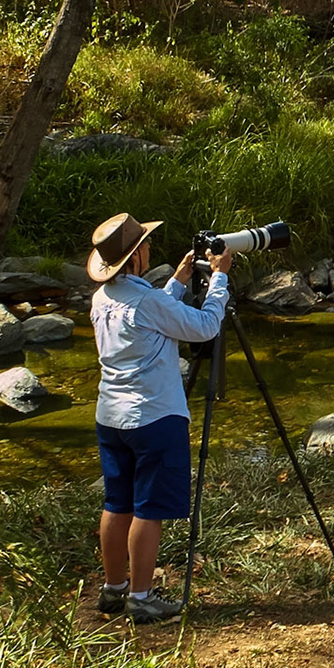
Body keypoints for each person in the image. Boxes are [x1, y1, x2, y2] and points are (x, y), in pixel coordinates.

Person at [86, 212, 234, 625]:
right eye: (144, 245)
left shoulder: (104, 298)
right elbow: (204, 327)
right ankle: (142, 597)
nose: (149, 249)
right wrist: (219, 279)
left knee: (118, 503)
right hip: (153, 416)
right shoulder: (147, 301)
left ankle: (114, 589)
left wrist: (180, 281)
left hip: (112, 416)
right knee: (149, 508)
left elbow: (152, 315)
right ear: (134, 258)